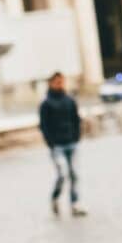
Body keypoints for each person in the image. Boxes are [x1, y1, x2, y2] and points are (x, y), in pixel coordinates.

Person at [39, 72, 85, 217]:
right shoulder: (46, 104)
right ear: (51, 83)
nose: (60, 84)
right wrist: (51, 143)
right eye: (57, 82)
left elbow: (76, 119)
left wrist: (76, 137)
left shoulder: (70, 100)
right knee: (63, 175)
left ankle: (74, 203)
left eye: (62, 82)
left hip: (71, 142)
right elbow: (44, 126)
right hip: (57, 145)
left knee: (73, 174)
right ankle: (55, 198)